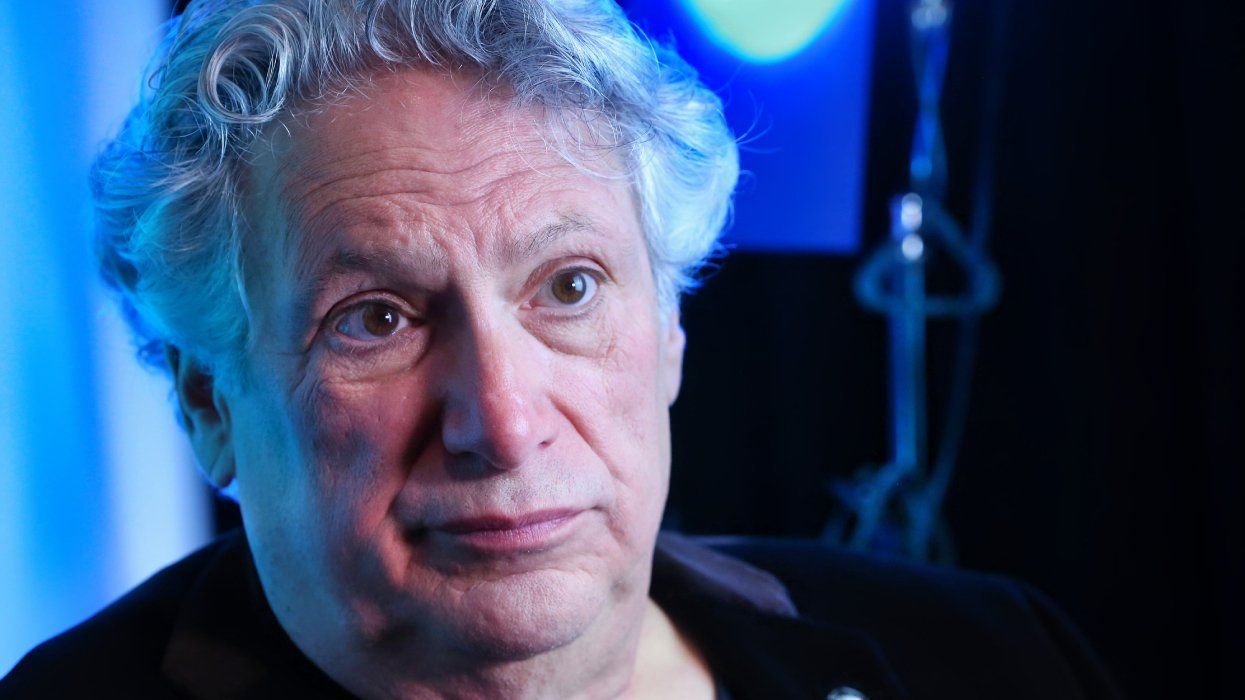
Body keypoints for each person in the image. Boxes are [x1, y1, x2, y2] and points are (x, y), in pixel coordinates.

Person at [0, 1, 1117, 698]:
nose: (503, 417)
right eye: (376, 316)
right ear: (208, 402)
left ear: (670, 331)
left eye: (568, 287)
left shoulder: (993, 657)